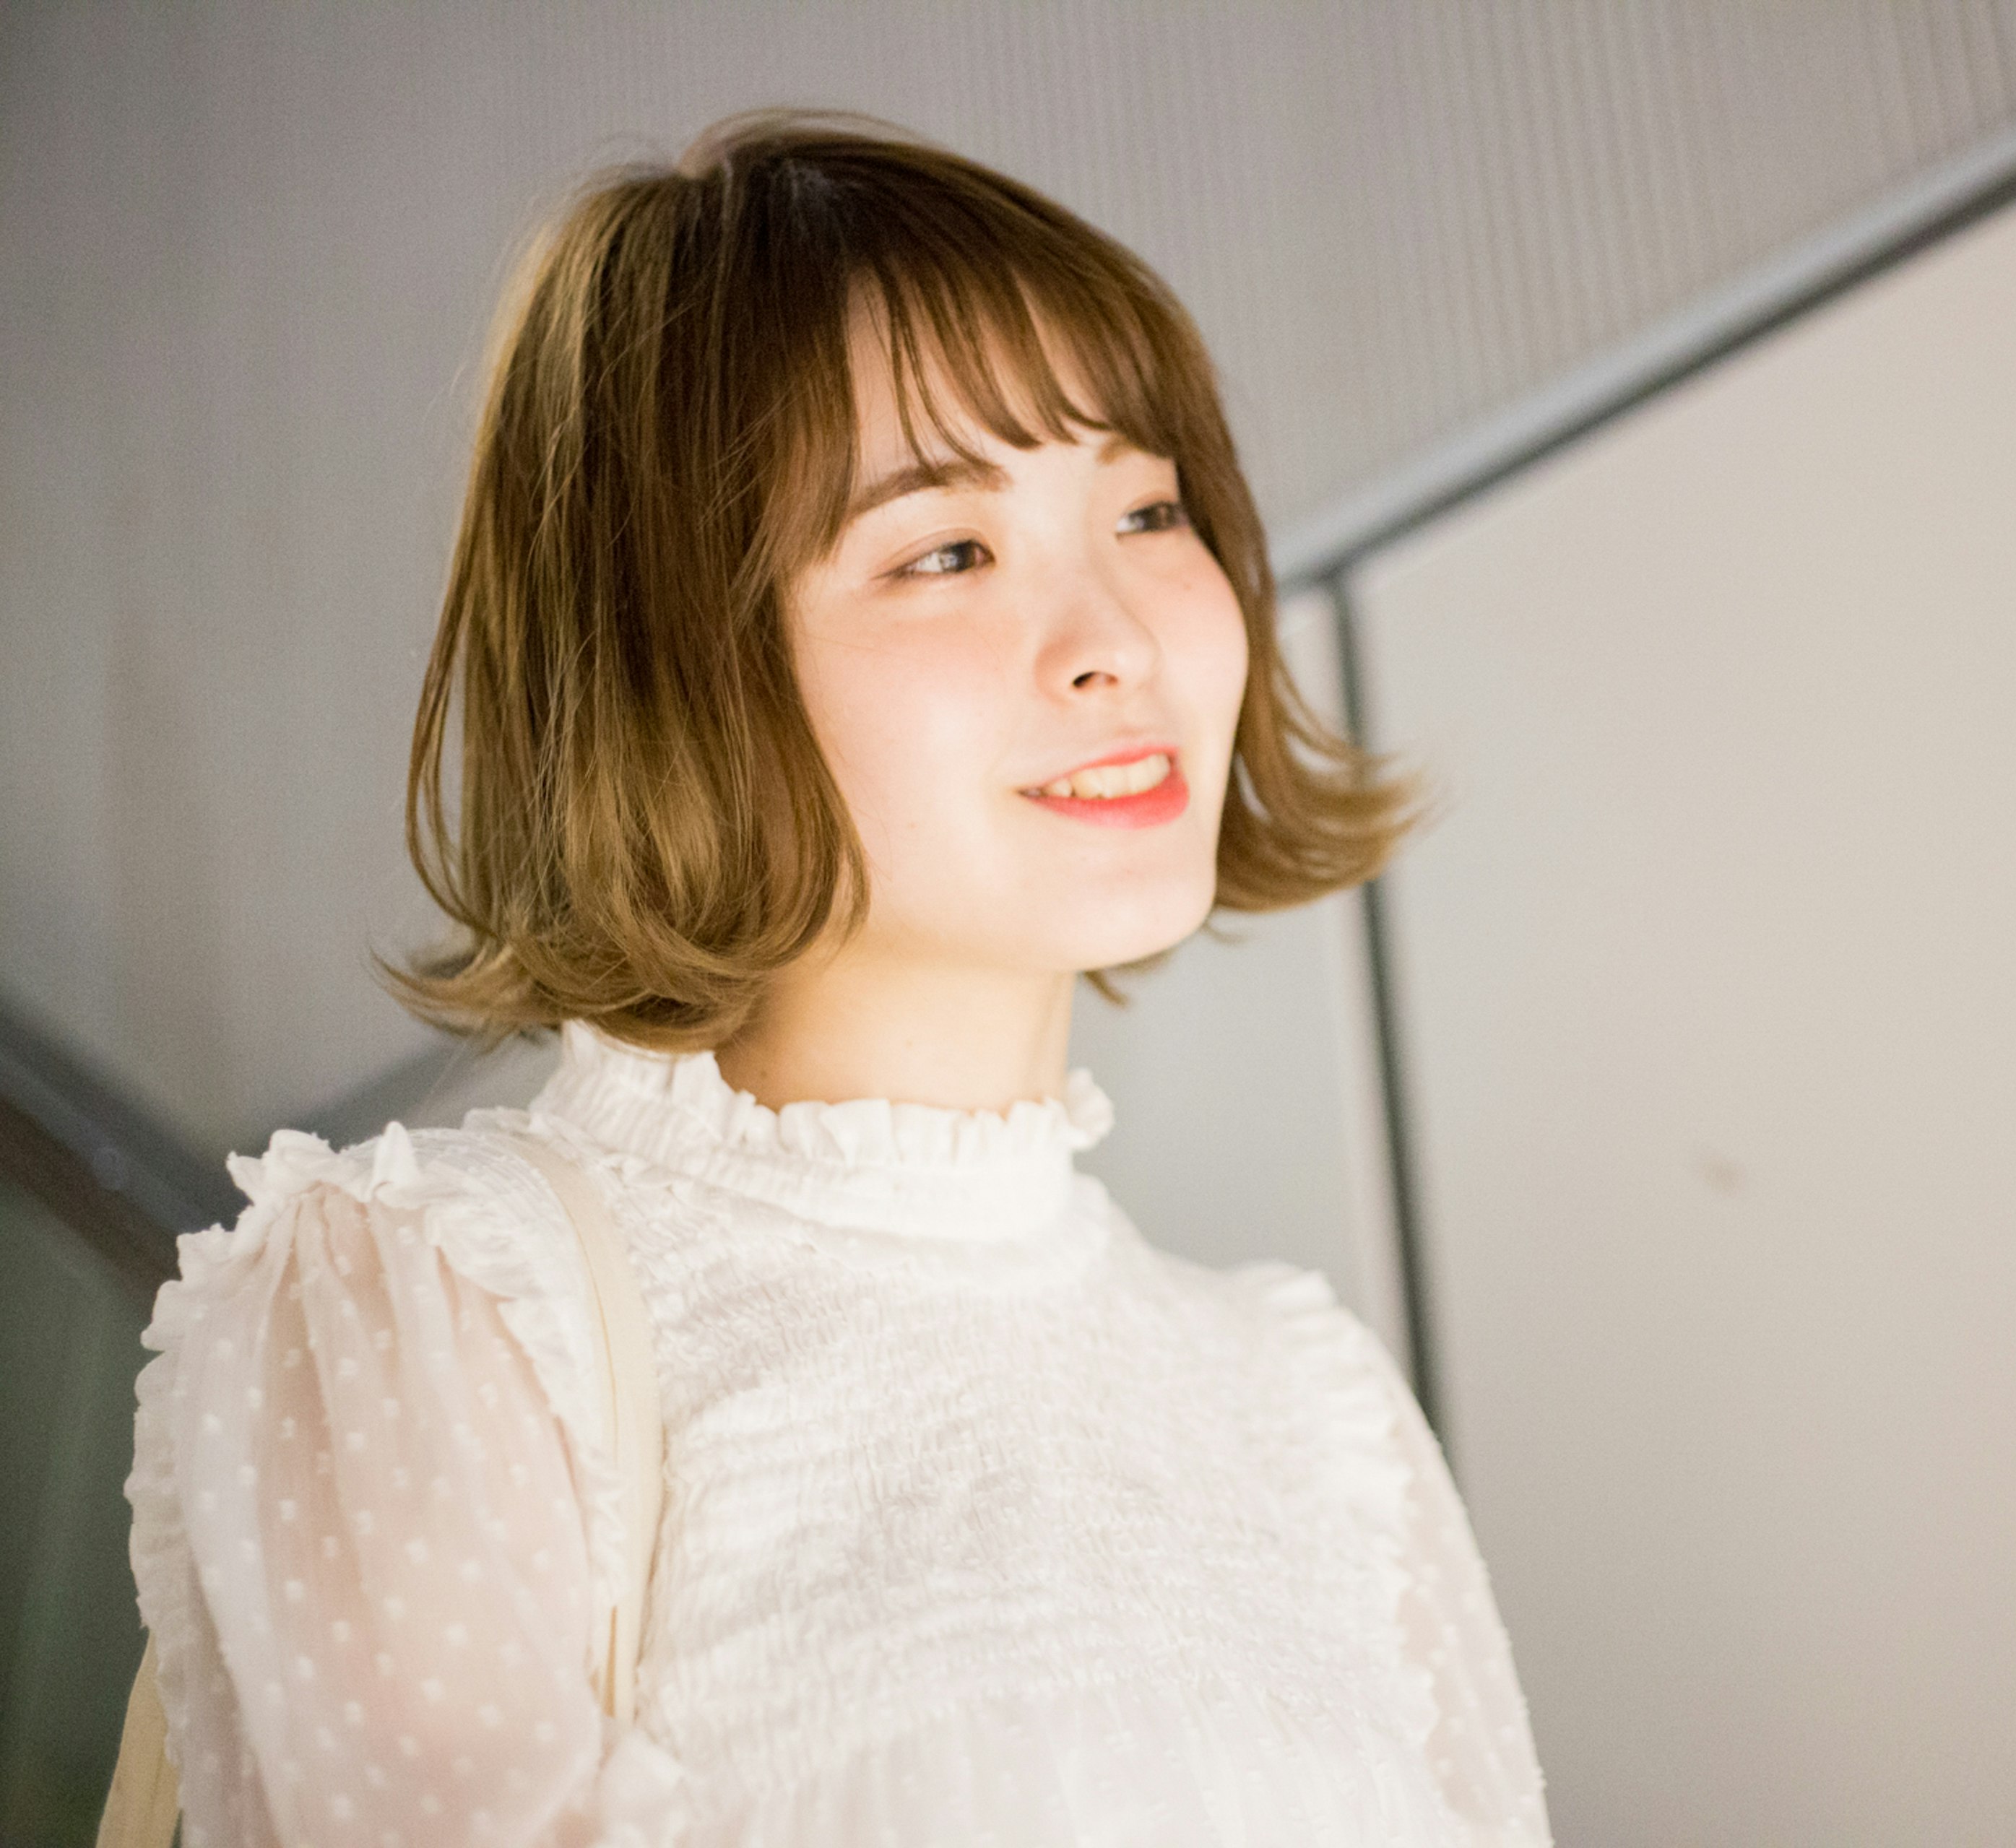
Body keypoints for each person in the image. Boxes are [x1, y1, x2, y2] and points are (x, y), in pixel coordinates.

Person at [123, 109, 1550, 1847]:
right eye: (946, 548)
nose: (1115, 634)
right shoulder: (439, 1304)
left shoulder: (1313, 1405)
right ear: (684, 664)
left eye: (1150, 506)